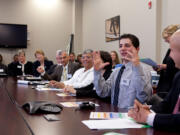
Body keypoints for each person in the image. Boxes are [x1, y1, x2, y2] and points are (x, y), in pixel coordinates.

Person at [128, 30, 180, 131]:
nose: (170, 56)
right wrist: (147, 110)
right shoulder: (178, 76)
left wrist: (149, 117)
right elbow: (166, 105)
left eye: (172, 51)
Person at [93, 34, 153, 109]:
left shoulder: (143, 69)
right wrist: (97, 73)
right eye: (120, 46)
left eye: (127, 45)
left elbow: (144, 97)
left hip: (131, 116)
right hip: (115, 113)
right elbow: (103, 92)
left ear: (137, 49)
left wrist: (137, 67)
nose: (122, 49)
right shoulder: (116, 71)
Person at [156, 24, 180, 99]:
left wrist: (165, 66)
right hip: (164, 84)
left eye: (166, 38)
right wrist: (160, 68)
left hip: (171, 84)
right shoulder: (170, 49)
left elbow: (174, 67)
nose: (165, 40)